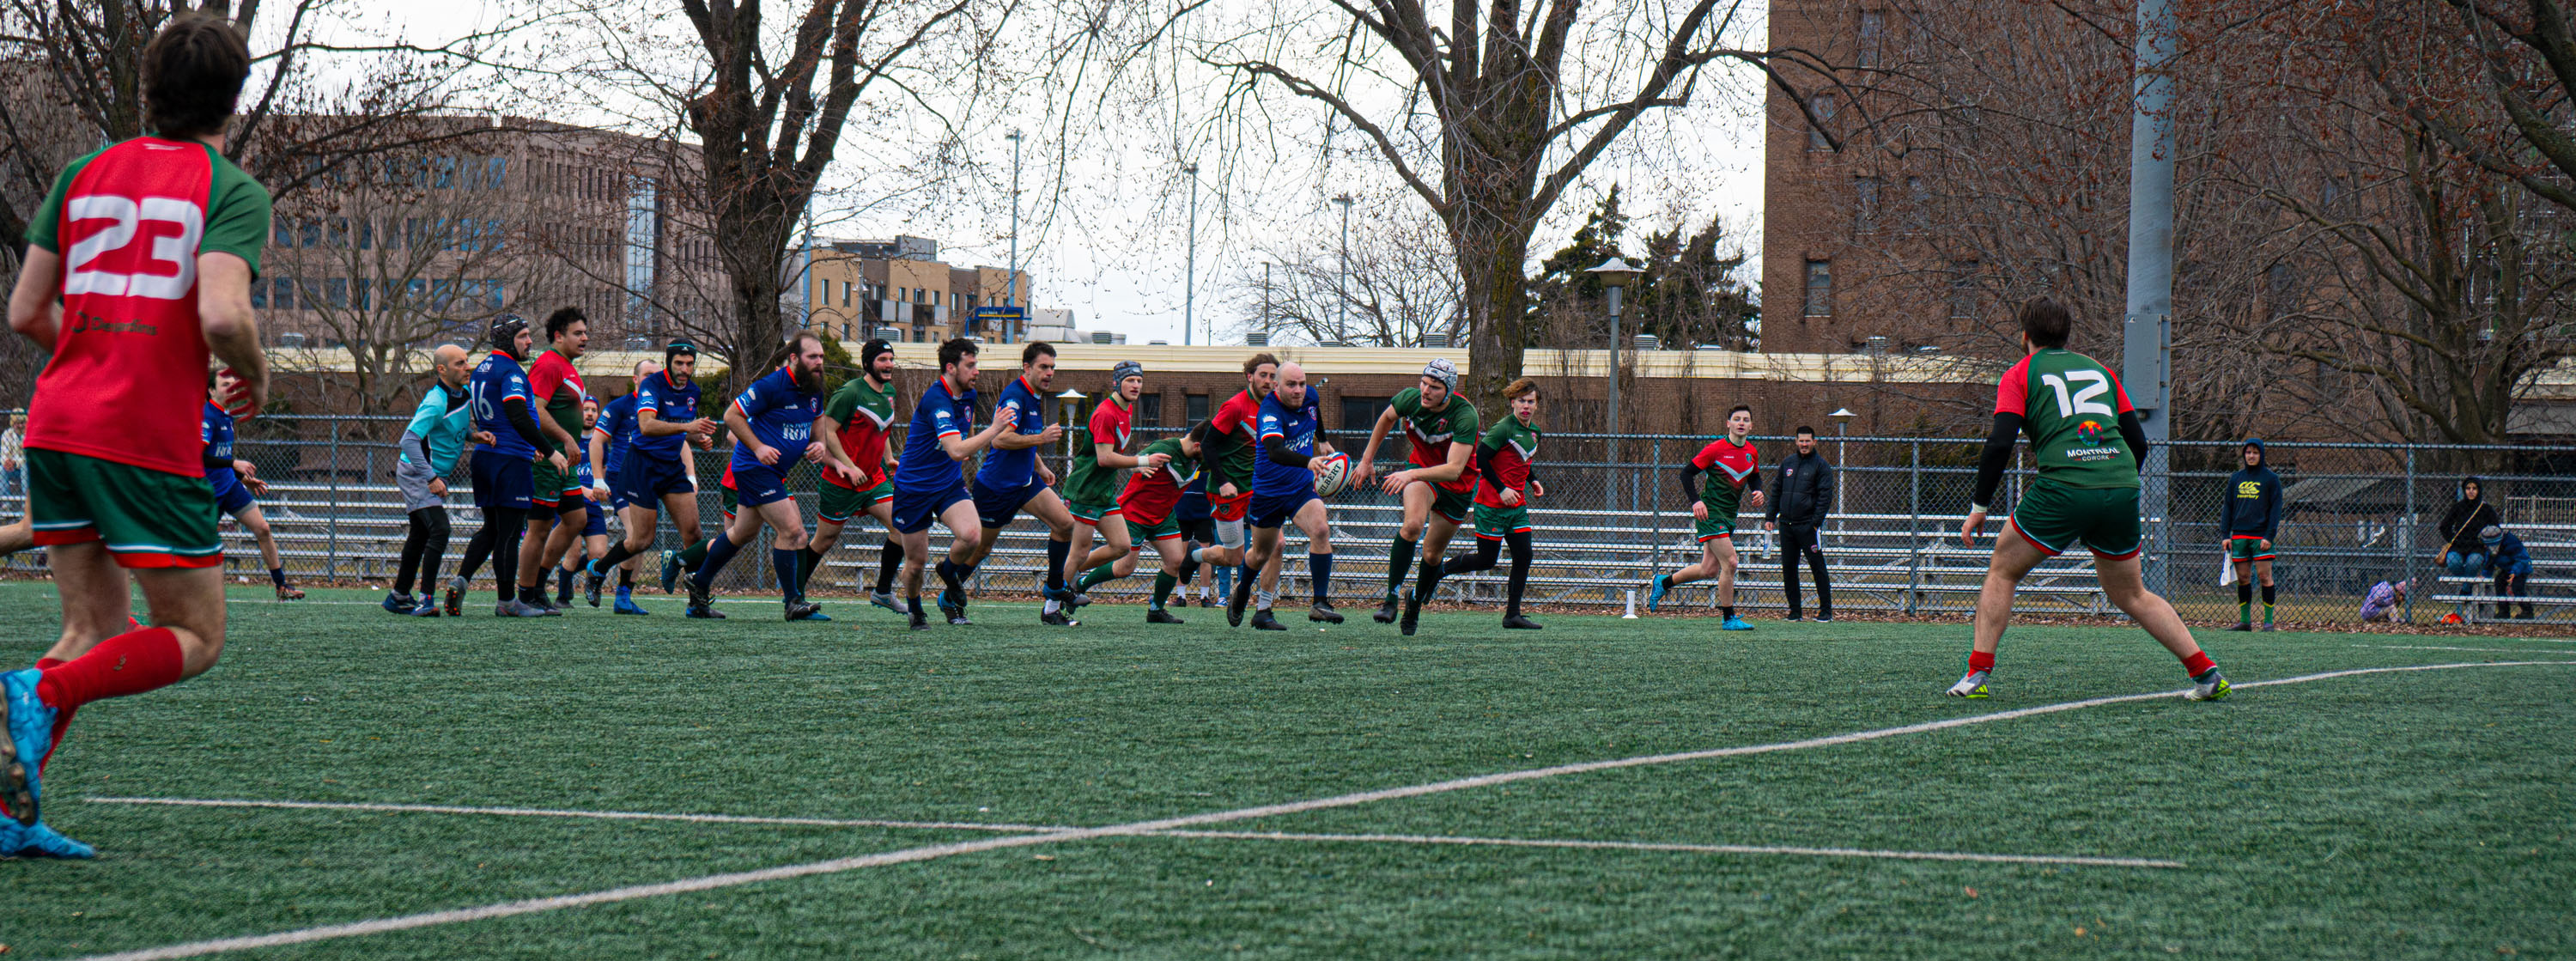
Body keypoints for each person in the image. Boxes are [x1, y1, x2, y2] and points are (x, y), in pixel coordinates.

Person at [1, 11, 272, 859]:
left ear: (148, 89)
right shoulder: (229, 188)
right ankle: (25, 692)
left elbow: (25, 312)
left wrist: (102, 353)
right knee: (195, 635)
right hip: (137, 436)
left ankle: (9, 816)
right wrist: (252, 377)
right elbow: (222, 311)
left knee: (92, 631)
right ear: (234, 97)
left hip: (55, 423)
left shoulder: (84, 173)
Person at [1948, 298, 2229, 702]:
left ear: (2024, 336)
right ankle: (2206, 673)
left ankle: (1976, 676)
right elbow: (2136, 441)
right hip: (2121, 483)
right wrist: (2113, 484)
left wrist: (1979, 508)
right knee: (2133, 594)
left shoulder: (2020, 374)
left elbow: (1999, 444)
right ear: (2068, 335)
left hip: (2063, 487)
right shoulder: (2102, 371)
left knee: (2003, 571)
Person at [685, 333, 829, 621]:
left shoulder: (814, 388)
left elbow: (818, 421)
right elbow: (732, 415)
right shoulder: (771, 386)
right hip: (754, 469)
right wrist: (759, 447)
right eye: (812, 357)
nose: (819, 362)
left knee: (743, 533)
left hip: (774, 472)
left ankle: (698, 582)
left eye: (822, 357)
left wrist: (820, 444)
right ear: (793, 359)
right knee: (794, 532)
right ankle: (793, 603)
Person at [951, 343, 1080, 625]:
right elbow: (1000, 439)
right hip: (997, 487)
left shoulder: (1034, 396)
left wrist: (1041, 466)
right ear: (1027, 368)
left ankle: (1053, 595)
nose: (1049, 373)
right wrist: (1041, 440)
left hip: (1026, 482)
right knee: (981, 549)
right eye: (1043, 367)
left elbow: (1026, 437)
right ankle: (950, 594)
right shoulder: (1015, 396)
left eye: (1052, 367)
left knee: (1064, 524)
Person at [890, 338, 1013, 629]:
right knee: (916, 563)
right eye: (970, 365)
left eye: (976, 364)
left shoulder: (968, 395)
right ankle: (916, 609)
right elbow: (956, 450)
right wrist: (993, 430)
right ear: (950, 368)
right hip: (914, 488)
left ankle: (948, 570)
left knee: (972, 535)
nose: (976, 371)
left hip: (947, 483)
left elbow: (962, 440)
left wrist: (966, 445)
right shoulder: (936, 399)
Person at [1405, 378, 1544, 635]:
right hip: (1491, 504)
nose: (1526, 406)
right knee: (1486, 559)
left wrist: (1533, 481)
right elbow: (1483, 459)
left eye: (1530, 402)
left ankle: (1512, 615)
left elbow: (1523, 461)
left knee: (1524, 555)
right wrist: (1502, 490)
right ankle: (1438, 572)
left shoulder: (1534, 432)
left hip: (1517, 507)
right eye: (1521, 401)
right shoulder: (1503, 428)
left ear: (1536, 405)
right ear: (1513, 402)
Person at [584, 341, 720, 601]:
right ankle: (597, 570)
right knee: (641, 541)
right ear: (669, 361)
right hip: (642, 467)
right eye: (679, 363)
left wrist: (697, 438)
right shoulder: (652, 385)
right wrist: (687, 429)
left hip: (671, 468)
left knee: (694, 534)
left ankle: (696, 602)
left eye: (689, 364)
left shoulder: (693, 391)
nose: (684, 368)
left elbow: (680, 427)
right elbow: (646, 426)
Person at [445, 314, 558, 617]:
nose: (529, 341)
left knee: (492, 529)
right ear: (507, 340)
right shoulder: (512, 372)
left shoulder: (481, 368)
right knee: (509, 533)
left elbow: (498, 415)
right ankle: (508, 602)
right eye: (522, 335)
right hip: (508, 461)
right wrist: (549, 451)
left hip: (487, 458)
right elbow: (517, 415)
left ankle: (461, 579)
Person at [1355, 358, 1479, 624]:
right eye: (1424, 383)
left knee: (1432, 554)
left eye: (1435, 387)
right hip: (1422, 474)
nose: (1426, 390)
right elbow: (1386, 418)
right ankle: (1390, 600)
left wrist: (1410, 473)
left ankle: (1416, 602)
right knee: (1412, 526)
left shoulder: (1465, 415)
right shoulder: (1410, 399)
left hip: (1456, 486)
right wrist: (1367, 460)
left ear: (1448, 390)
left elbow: (1454, 470)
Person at [1230, 360, 1343, 630]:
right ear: (1277, 387)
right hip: (1269, 493)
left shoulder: (1310, 396)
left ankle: (1319, 603)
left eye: (1302, 384)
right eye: (1291, 384)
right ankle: (1243, 588)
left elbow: (1315, 413)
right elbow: (1275, 451)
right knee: (1262, 553)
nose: (1298, 390)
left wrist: (1323, 439)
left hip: (1301, 488)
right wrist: (1308, 462)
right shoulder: (1269, 411)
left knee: (1321, 529)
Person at [806, 338, 908, 615]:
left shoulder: (889, 391)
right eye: (882, 360)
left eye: (890, 359)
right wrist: (849, 466)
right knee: (824, 540)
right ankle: (794, 594)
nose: (888, 365)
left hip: (874, 478)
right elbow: (827, 432)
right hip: (841, 480)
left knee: (902, 526)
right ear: (868, 364)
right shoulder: (850, 392)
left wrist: (888, 457)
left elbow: (882, 429)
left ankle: (883, 592)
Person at [1645, 405, 1765, 630]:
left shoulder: (1752, 452)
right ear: (1728, 424)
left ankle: (1663, 581)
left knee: (1709, 569)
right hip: (1711, 514)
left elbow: (1754, 477)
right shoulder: (1715, 449)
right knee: (1731, 562)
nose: (1741, 422)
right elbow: (1686, 474)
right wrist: (1696, 501)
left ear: (1751, 426)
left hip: (1729, 516)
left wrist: (1758, 491)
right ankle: (1729, 618)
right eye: (1736, 419)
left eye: (1745, 419)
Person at [385, 344, 483, 615]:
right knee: (440, 529)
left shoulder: (463, 395)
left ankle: (398, 596)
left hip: (429, 474)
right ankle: (425, 599)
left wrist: (474, 436)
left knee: (420, 534)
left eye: (467, 362)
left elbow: (453, 427)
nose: (467, 367)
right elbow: (409, 440)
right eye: (459, 364)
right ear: (442, 370)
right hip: (417, 473)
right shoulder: (436, 401)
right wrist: (430, 477)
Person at [514, 307, 591, 614]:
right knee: (540, 528)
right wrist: (567, 438)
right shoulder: (548, 364)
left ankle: (539, 584)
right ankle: (526, 593)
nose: (584, 338)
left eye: (585, 332)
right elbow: (536, 410)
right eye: (577, 333)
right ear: (558, 336)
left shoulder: (567, 366)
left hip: (565, 464)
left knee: (576, 520)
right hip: (547, 460)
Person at [1058, 361, 1151, 613]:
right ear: (1116, 382)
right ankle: (1053, 604)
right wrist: (1142, 460)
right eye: (1130, 380)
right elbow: (1104, 458)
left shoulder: (1126, 410)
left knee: (1122, 545)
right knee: (1079, 551)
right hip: (1085, 492)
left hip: (1104, 493)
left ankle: (1067, 579)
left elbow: (1112, 453)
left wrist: (1133, 466)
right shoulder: (1105, 413)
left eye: (1139, 381)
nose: (1136, 385)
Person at [203, 368, 302, 600]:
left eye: (232, 383)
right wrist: (234, 462)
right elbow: (199, 456)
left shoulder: (227, 415)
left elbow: (220, 458)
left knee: (263, 529)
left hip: (230, 487)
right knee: (201, 546)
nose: (231, 388)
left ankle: (281, 586)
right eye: (224, 384)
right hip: (208, 493)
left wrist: (241, 478)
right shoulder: (207, 416)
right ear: (211, 390)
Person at [580, 360, 659, 614]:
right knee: (637, 533)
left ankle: (621, 593)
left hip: (648, 479)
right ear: (635, 379)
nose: (653, 379)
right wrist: (598, 479)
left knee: (643, 539)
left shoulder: (662, 406)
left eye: (657, 376)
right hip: (620, 479)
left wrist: (690, 473)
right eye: (647, 375)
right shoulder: (620, 406)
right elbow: (596, 442)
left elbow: (678, 442)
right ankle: (604, 578)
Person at [1106, 423, 1207, 622]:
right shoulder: (1165, 449)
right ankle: (1078, 586)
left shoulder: (1198, 458)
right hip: (1135, 513)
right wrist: (1139, 465)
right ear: (1197, 446)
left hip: (1162, 516)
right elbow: (1133, 460)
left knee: (1176, 561)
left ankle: (1156, 610)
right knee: (1125, 568)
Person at [1763, 425, 1836, 622]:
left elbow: (1825, 497)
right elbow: (1777, 490)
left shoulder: (1821, 466)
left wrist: (1815, 523)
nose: (1804, 444)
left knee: (1817, 567)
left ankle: (1826, 611)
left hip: (1807, 527)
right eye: (1801, 441)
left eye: (1807, 441)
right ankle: (1795, 611)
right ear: (1796, 441)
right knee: (1789, 568)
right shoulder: (1788, 463)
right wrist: (1770, 517)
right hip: (1786, 526)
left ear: (1814, 442)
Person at [553, 397, 613, 606]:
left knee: (599, 554)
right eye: (585, 409)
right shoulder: (568, 440)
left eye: (594, 410)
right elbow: (560, 473)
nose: (589, 414)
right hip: (570, 504)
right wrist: (585, 489)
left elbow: (602, 476)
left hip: (593, 506)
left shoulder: (601, 444)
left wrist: (603, 489)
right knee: (574, 550)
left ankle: (578, 580)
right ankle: (562, 597)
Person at [2221, 438, 2285, 631]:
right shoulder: (2236, 479)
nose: (2251, 456)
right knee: (2243, 578)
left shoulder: (2270, 479)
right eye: (2248, 452)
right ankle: (2245, 621)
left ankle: (2268, 622)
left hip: (2261, 537)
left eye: (2255, 452)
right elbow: (2228, 507)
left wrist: (2269, 536)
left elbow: (2276, 510)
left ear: (2261, 455)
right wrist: (2226, 534)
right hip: (2239, 536)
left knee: (2265, 576)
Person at [2437, 477, 2499, 618]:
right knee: (2453, 562)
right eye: (2468, 488)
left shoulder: (2485, 509)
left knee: (2473, 562)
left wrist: (2486, 541)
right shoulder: (2458, 507)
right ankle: (2469, 583)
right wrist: (2453, 539)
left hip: (2477, 546)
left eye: (2474, 489)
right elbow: (2444, 526)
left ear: (2479, 490)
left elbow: (2495, 528)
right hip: (2459, 546)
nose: (2471, 491)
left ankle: (2466, 590)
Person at [2481, 525, 2536, 620]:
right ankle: (2503, 611)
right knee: (2499, 582)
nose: (2486, 546)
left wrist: (2514, 572)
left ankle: (2527, 611)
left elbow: (2522, 559)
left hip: (2521, 568)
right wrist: (2485, 575)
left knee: (2517, 587)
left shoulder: (2511, 542)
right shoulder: (2490, 549)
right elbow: (2489, 562)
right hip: (2506, 569)